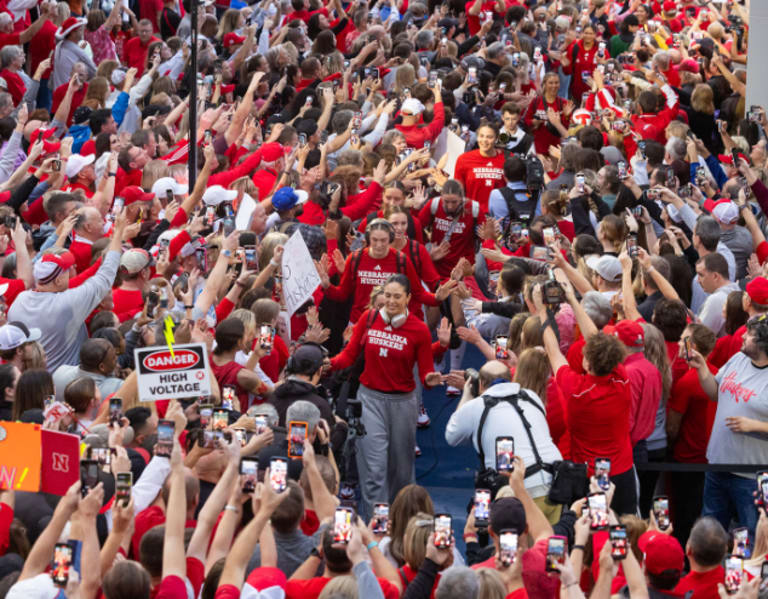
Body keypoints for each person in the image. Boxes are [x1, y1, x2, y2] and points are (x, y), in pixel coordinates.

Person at [329, 274, 444, 517]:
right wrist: (326, 364)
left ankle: (401, 525)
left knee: (401, 473)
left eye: (397, 297)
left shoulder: (419, 330)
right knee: (374, 471)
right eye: (388, 296)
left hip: (403, 404)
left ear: (408, 298)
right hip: (369, 400)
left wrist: (430, 379)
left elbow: (425, 372)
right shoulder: (368, 318)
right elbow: (348, 357)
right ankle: (377, 531)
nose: (391, 301)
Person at [7, 215, 126, 372]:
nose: (72, 269)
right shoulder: (66, 303)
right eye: (67, 269)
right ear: (57, 281)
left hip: (32, 382)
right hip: (65, 383)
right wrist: (119, 233)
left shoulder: (20, 299)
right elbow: (105, 277)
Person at [445, 360, 562, 517]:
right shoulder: (532, 396)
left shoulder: (476, 406)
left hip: (519, 491)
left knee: (515, 540)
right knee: (550, 540)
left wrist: (467, 395)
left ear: (480, 384)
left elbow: (452, 436)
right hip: (556, 485)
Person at [688, 314, 768, 536]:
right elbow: (715, 393)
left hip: (751, 477)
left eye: (750, 334)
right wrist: (702, 367)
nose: (742, 335)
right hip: (717, 465)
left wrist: (756, 426)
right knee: (710, 534)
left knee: (753, 534)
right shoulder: (738, 359)